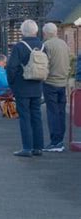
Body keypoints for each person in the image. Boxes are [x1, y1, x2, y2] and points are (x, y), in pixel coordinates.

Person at [7, 19, 44, 157]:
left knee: (25, 117)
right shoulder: (42, 46)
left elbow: (11, 67)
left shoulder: (19, 47)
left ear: (23, 31)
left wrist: (11, 83)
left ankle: (27, 148)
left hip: (22, 86)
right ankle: (38, 147)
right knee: (36, 116)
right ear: (36, 31)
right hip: (37, 85)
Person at [41, 23, 70, 152]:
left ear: (45, 33)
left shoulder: (46, 45)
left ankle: (55, 142)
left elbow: (44, 65)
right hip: (63, 82)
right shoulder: (64, 44)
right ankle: (60, 140)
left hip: (50, 82)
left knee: (52, 112)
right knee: (61, 112)